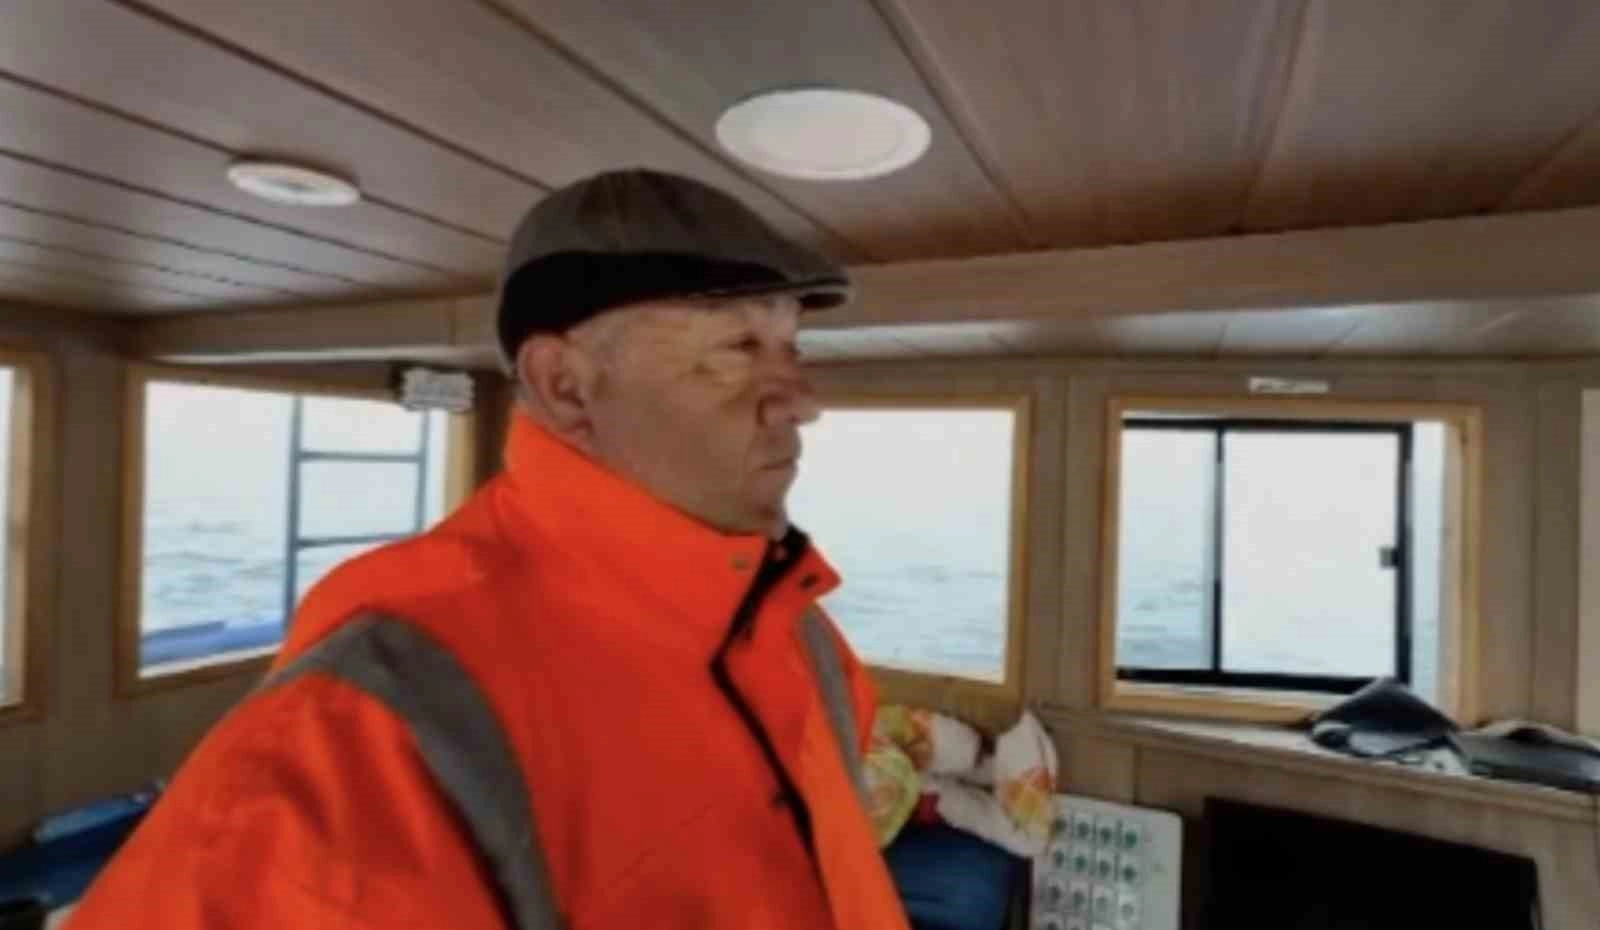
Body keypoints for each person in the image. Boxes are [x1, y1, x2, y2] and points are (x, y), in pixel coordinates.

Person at [68, 170, 911, 930]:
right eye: (738, 349)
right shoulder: (365, 733)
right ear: (566, 386)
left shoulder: (800, 633)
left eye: (791, 349)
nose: (803, 400)